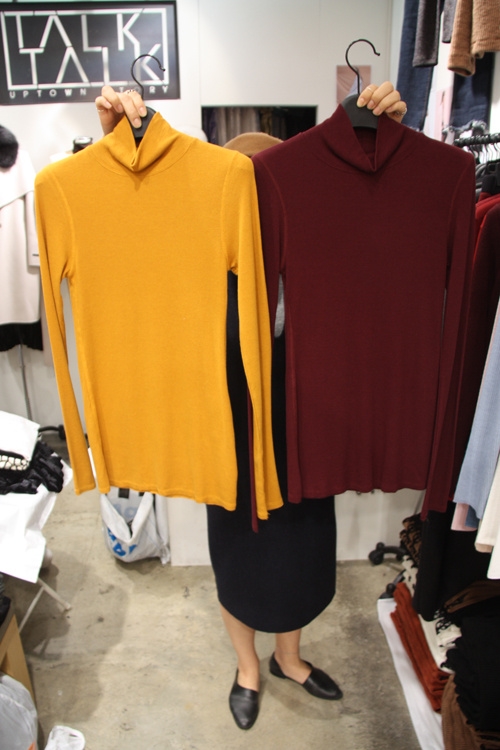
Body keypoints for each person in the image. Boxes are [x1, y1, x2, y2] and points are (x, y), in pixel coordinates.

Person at [94, 81, 407, 730]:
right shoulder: (198, 251)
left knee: (301, 558)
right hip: (229, 437)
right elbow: (134, 234)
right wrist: (115, 144)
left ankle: (289, 658)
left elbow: (379, 225)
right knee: (238, 558)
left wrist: (388, 136)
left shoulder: (317, 248)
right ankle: (247, 668)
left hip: (303, 438)